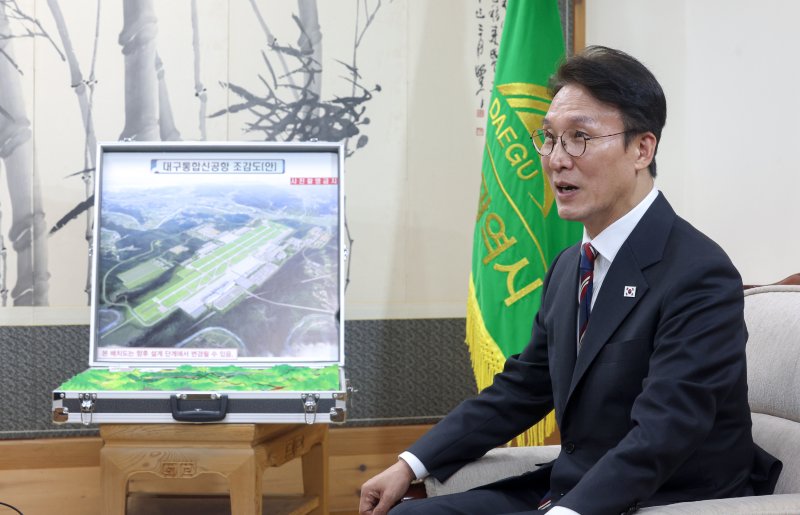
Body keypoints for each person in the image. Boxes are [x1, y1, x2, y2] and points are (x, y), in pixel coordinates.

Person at [358, 46, 781, 515]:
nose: (557, 160)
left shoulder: (699, 274)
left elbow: (664, 432)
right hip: (568, 489)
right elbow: (522, 389)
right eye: (550, 139)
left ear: (642, 148)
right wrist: (410, 464)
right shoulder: (568, 266)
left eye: (579, 137)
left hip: (660, 499)